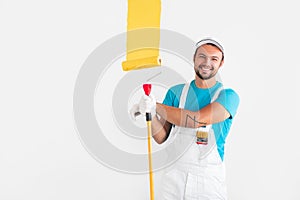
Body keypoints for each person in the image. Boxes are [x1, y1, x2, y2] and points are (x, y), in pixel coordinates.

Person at [130, 38, 240, 200]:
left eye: (214, 59)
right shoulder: (176, 93)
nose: (207, 62)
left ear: (221, 63)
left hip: (207, 181)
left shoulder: (228, 97)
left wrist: (156, 106)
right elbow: (161, 137)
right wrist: (149, 112)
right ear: (194, 58)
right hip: (173, 178)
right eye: (202, 56)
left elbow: (197, 120)